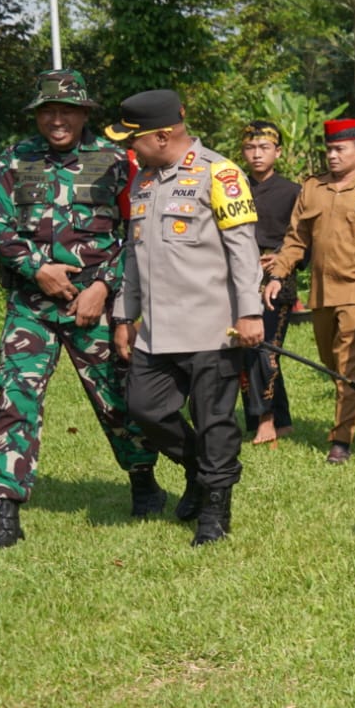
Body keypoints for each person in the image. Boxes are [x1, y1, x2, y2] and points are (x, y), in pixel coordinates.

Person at [0, 70, 163, 554]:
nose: (56, 120)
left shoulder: (117, 162)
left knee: (116, 399)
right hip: (31, 308)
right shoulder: (14, 159)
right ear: (37, 115)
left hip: (92, 307)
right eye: (47, 111)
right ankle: (4, 514)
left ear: (83, 114)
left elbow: (136, 233)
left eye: (66, 111)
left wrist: (104, 285)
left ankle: (144, 484)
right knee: (15, 400)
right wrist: (37, 270)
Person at [107, 89, 264, 546]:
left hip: (212, 328)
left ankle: (215, 510)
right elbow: (134, 258)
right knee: (145, 408)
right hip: (155, 333)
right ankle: (199, 470)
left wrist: (250, 313)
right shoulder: (144, 182)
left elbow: (243, 252)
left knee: (215, 419)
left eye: (132, 138)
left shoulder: (220, 173)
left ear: (160, 136)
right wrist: (125, 316)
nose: (128, 147)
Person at [262, 119, 355, 463]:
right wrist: (278, 273)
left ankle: (341, 441)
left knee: (349, 364)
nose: (333, 156)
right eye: (329, 149)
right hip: (323, 293)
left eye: (340, 149)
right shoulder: (312, 189)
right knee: (333, 364)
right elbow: (296, 240)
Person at [239, 120, 300, 446]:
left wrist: (281, 258)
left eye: (264, 148)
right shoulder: (234, 187)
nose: (257, 154)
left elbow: (305, 239)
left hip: (277, 280)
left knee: (265, 350)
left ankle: (266, 420)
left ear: (277, 151)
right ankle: (281, 420)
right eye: (250, 148)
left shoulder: (292, 192)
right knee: (246, 351)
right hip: (238, 278)